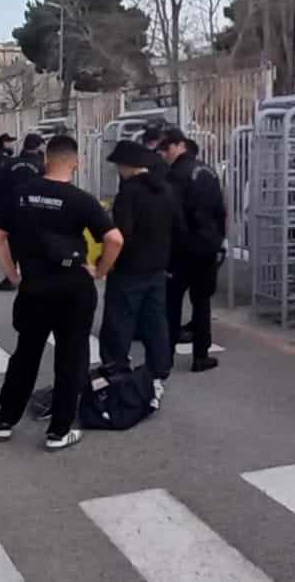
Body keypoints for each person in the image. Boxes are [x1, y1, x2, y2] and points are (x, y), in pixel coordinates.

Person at [0, 134, 123, 450]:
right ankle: (59, 431)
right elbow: (115, 239)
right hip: (72, 289)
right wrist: (99, 271)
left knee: (26, 354)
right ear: (75, 163)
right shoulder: (81, 200)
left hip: (33, 287)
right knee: (71, 357)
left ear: (46, 159)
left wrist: (12, 274)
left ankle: (5, 421)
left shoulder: (21, 194)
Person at [98, 139, 177, 403]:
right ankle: (159, 368)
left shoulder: (128, 194)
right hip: (157, 267)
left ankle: (116, 369)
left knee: (119, 322)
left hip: (129, 269)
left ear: (126, 166)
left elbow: (122, 234)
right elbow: (177, 228)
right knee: (155, 321)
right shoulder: (165, 190)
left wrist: (104, 263)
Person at [158, 129, 225, 373]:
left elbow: (172, 216)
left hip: (181, 250)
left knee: (171, 304)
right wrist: (219, 241)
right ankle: (200, 355)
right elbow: (220, 211)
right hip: (207, 247)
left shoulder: (174, 176)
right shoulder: (209, 171)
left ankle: (166, 357)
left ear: (180, 146)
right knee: (202, 301)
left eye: (167, 148)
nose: (163, 153)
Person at [0, 134, 44, 292]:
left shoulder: (11, 163)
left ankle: (10, 278)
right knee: (34, 245)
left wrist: (0, 208)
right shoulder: (41, 165)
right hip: (35, 209)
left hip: (13, 209)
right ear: (38, 146)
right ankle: (33, 279)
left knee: (13, 246)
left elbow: (0, 186)